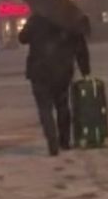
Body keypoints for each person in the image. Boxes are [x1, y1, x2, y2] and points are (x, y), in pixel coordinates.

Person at [19, 14, 91, 156]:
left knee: (45, 108)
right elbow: (80, 47)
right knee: (62, 106)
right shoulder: (68, 21)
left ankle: (52, 140)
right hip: (62, 71)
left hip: (40, 71)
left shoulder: (37, 19)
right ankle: (64, 141)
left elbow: (22, 38)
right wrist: (85, 70)